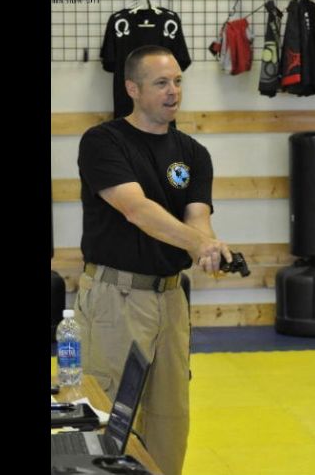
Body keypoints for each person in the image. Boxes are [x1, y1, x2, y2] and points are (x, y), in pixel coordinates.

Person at [74, 45, 232, 475]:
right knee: (105, 417)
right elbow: (136, 209)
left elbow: (197, 217)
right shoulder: (103, 142)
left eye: (178, 81)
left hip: (171, 301)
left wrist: (209, 247)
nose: (173, 91)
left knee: (170, 421)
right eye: (161, 83)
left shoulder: (193, 153)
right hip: (116, 298)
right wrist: (197, 243)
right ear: (133, 89)